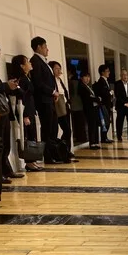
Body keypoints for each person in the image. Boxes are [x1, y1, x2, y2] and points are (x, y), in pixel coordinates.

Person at [0, 43, 25, 183]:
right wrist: (6, 85)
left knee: (6, 144)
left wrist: (8, 86)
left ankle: (6, 170)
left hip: (4, 111)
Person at [30, 36, 62, 165]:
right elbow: (38, 82)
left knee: (53, 128)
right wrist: (52, 92)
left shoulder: (43, 61)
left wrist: (54, 93)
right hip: (43, 101)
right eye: (45, 47)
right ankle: (48, 156)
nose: (47, 49)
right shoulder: (35, 61)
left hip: (49, 100)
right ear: (39, 47)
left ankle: (54, 154)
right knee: (47, 129)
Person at [10, 55, 42, 172]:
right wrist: (25, 115)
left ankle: (32, 160)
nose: (30, 63)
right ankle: (29, 162)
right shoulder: (20, 79)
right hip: (25, 111)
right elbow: (21, 98)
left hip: (30, 109)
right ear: (22, 66)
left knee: (32, 136)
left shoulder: (27, 77)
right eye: (27, 62)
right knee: (28, 137)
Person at [49, 61, 77, 161]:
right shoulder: (51, 80)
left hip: (64, 106)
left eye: (59, 68)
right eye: (56, 68)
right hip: (57, 107)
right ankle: (61, 151)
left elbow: (65, 93)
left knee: (68, 130)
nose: (59, 70)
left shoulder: (59, 80)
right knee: (63, 129)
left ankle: (66, 150)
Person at [78, 72, 100, 149]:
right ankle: (92, 143)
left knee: (95, 125)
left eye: (88, 77)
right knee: (91, 125)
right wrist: (97, 99)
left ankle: (96, 142)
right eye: (85, 77)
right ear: (81, 78)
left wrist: (96, 98)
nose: (87, 79)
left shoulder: (88, 86)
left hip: (94, 108)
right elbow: (89, 98)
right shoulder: (82, 87)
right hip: (89, 109)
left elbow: (92, 96)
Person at [93, 64, 113, 144]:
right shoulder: (101, 82)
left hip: (108, 105)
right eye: (107, 71)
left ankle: (105, 137)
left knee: (107, 122)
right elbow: (103, 93)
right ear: (102, 72)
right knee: (105, 122)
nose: (109, 72)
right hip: (104, 105)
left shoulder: (106, 81)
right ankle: (104, 138)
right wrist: (110, 93)